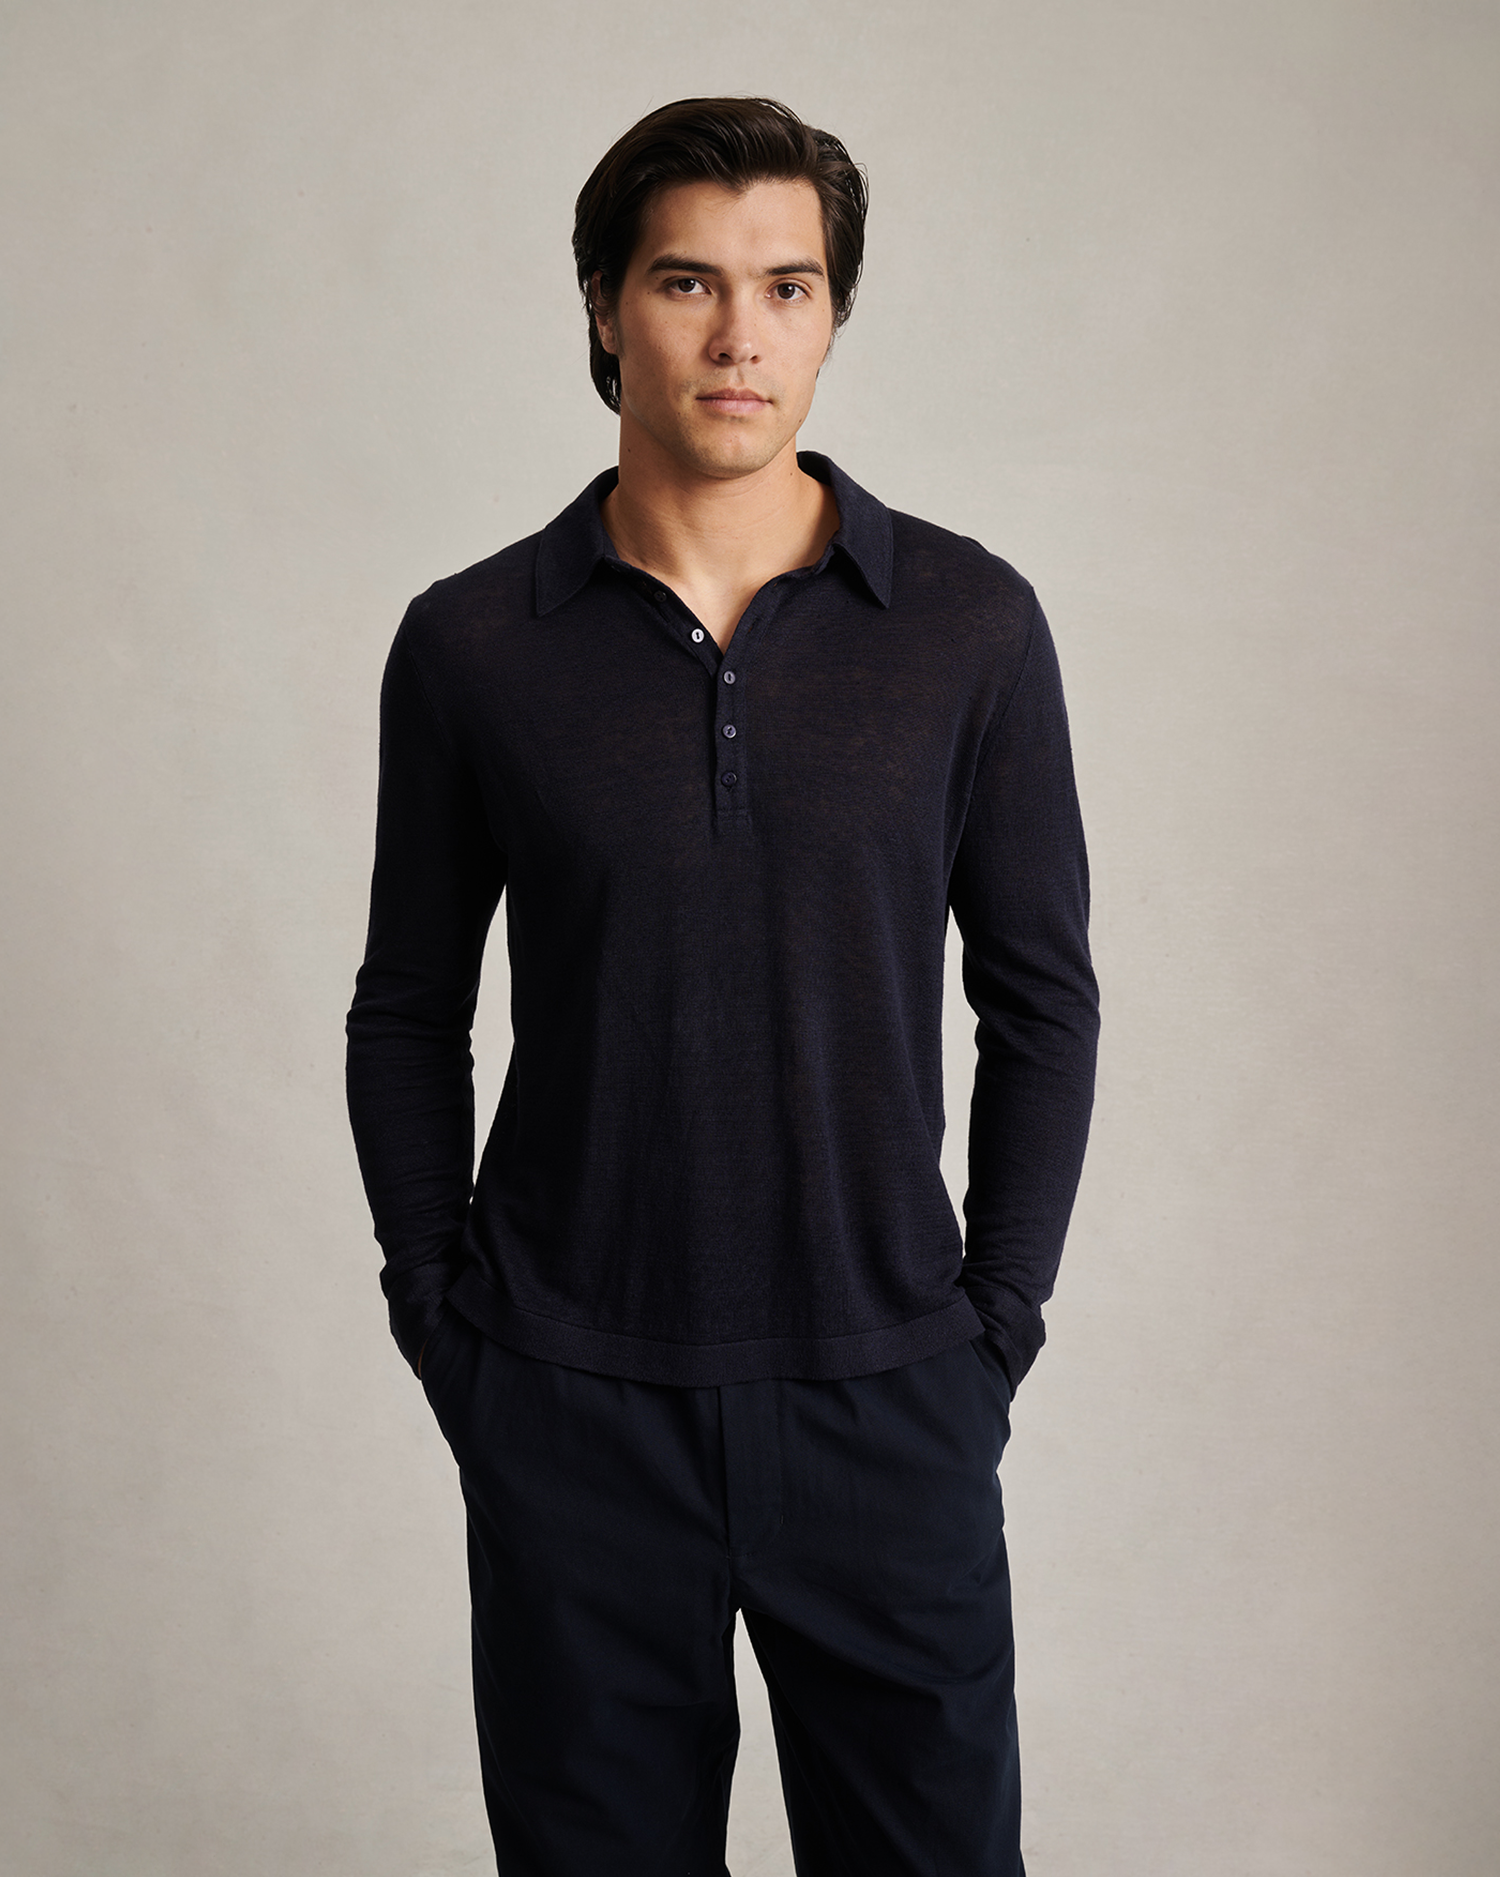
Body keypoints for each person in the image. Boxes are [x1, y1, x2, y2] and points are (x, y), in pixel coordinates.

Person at [346, 95, 1098, 1877]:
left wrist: (992, 1331)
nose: (740, 335)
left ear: (834, 318)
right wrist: (447, 1328)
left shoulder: (969, 626)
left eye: (789, 286)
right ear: (606, 307)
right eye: (688, 281)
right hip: (571, 1400)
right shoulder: (473, 643)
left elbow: (1043, 1003)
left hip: (889, 1398)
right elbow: (406, 1009)